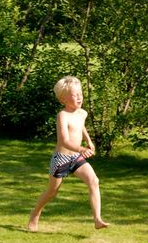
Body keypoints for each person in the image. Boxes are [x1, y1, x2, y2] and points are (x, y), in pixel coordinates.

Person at [27, 76, 110, 232]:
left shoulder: (82, 113)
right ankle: (35, 213)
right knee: (52, 192)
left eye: (80, 93)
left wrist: (89, 141)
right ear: (63, 99)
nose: (79, 97)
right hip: (62, 159)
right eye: (75, 94)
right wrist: (81, 149)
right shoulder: (62, 116)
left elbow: (81, 127)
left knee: (94, 180)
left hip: (75, 158)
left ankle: (97, 219)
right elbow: (64, 141)